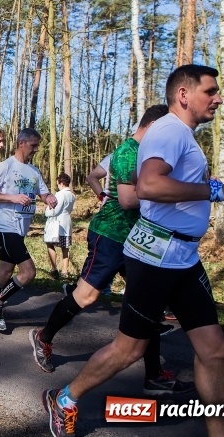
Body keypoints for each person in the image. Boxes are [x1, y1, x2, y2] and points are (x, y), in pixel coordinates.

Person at [43, 65, 224, 437]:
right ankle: (64, 397)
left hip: (183, 257)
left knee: (214, 349)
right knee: (129, 350)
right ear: (184, 95)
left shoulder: (180, 134)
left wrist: (215, 185)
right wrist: (219, 192)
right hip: (156, 257)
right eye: (211, 91)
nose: (219, 98)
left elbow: (175, 183)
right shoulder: (171, 130)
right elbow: (150, 186)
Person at [30, 106, 189, 397]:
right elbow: (128, 200)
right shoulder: (129, 152)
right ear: (153, 126)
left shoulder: (152, 153)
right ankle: (44, 336)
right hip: (112, 235)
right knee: (87, 296)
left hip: (140, 239)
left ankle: (153, 375)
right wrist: (171, 194)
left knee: (147, 303)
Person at [0, 128, 57, 332]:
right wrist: (12, 198)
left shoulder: (33, 170)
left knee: (5, 272)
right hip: (3, 225)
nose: (35, 150)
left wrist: (48, 198)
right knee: (29, 272)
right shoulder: (5, 166)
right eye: (33, 145)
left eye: (38, 146)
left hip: (19, 228)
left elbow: (42, 191)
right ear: (21, 143)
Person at [43, 173, 76, 278]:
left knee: (50, 244)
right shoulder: (72, 195)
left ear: (61, 183)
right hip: (67, 222)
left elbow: (55, 210)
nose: (57, 185)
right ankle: (65, 271)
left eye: (58, 183)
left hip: (57, 223)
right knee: (65, 247)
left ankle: (54, 268)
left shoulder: (60, 194)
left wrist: (46, 212)